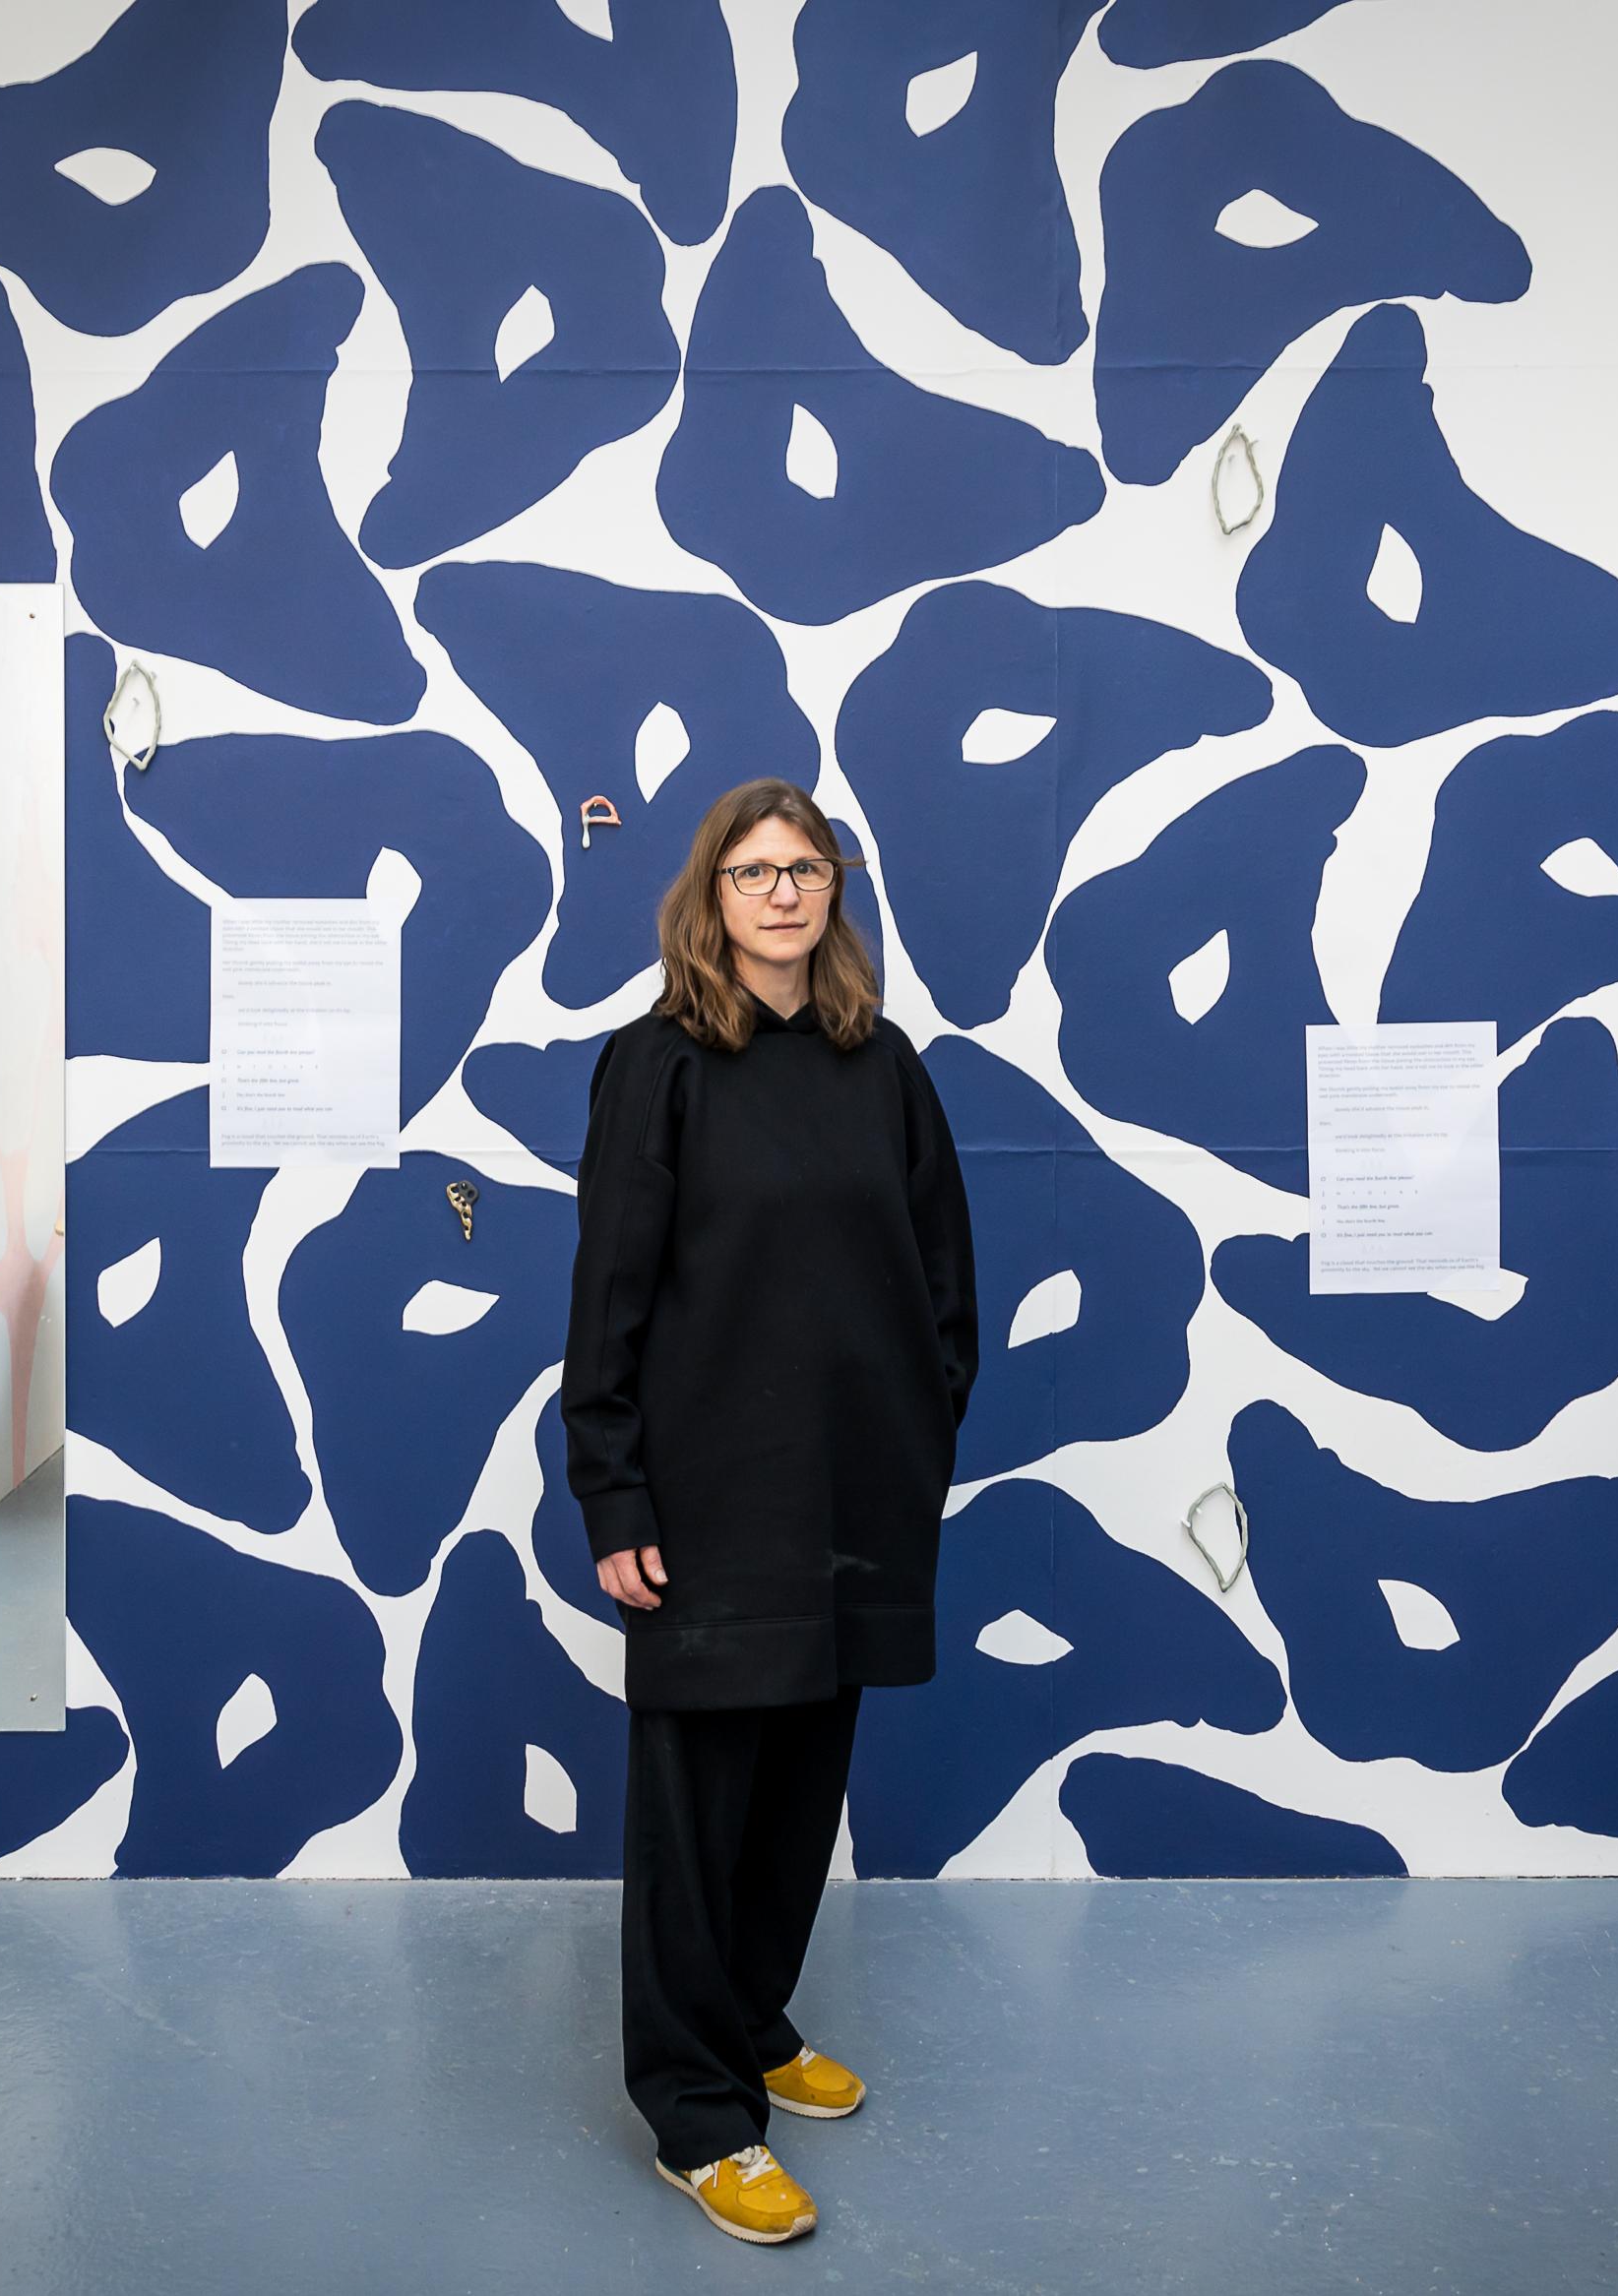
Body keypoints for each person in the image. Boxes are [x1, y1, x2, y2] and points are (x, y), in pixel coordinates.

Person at [560, 777, 976, 2245]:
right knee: (695, 1804)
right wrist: (613, 1490)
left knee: (802, 1789)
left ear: (834, 892)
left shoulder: (889, 1069)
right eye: (753, 871)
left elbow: (945, 1292)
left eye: (804, 868)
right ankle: (694, 2111)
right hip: (706, 1504)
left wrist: (918, 1443)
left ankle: (747, 2021)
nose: (783, 893)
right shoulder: (657, 1066)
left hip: (857, 1494)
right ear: (710, 898)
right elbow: (604, 1303)